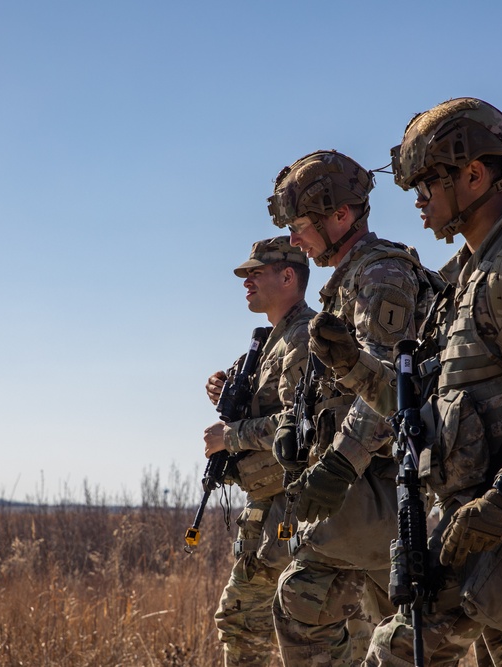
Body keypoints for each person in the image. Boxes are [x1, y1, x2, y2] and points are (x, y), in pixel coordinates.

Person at [313, 98, 502, 666]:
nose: (418, 200)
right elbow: (420, 405)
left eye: (428, 184)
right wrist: (353, 365)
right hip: (458, 523)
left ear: (474, 175)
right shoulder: (461, 279)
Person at [266, 149, 437, 666]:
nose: (295, 241)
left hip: (385, 487)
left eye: (302, 226)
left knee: (307, 600)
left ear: (342, 215)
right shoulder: (351, 280)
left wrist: (337, 466)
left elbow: (386, 387)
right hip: (368, 491)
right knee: (399, 636)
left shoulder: (381, 275)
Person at [203, 236, 316, 667]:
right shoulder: (270, 341)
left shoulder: (305, 336)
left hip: (293, 511)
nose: (246, 282)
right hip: (266, 509)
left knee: (265, 626)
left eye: (257, 273)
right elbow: (255, 401)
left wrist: (229, 438)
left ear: (289, 276)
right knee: (243, 621)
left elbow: (302, 425)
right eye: (245, 275)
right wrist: (220, 386)